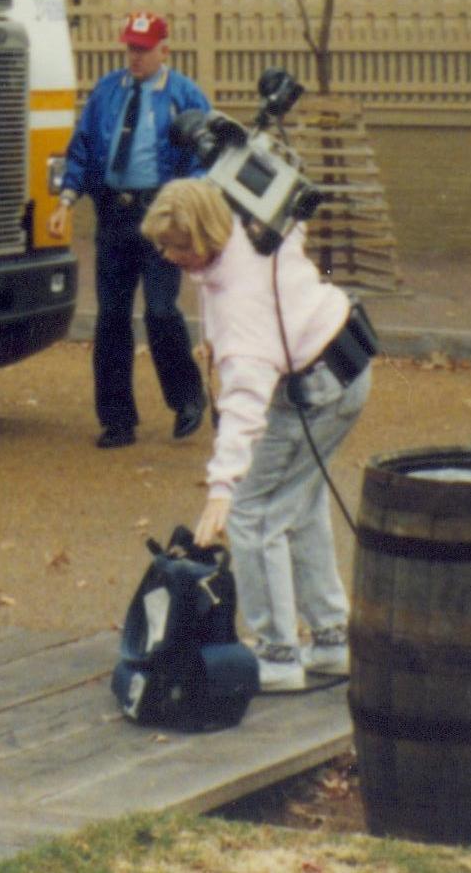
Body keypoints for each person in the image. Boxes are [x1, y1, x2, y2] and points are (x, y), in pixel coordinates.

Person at [142, 176, 374, 694]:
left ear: (203, 237)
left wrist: (223, 489)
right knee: (301, 501)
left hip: (311, 388)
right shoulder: (256, 227)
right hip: (347, 362)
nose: (167, 255)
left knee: (256, 513)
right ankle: (333, 639)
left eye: (177, 246)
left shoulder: (239, 312)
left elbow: (244, 403)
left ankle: (277, 653)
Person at [58, 11, 211, 449]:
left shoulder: (183, 95)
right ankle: (117, 419)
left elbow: (205, 153)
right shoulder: (108, 91)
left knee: (161, 310)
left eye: (143, 49)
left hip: (160, 216)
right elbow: (83, 146)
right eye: (131, 48)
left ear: (165, 49)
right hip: (114, 214)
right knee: (111, 318)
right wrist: (68, 198)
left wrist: (188, 199)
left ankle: (186, 398)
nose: (135, 57)